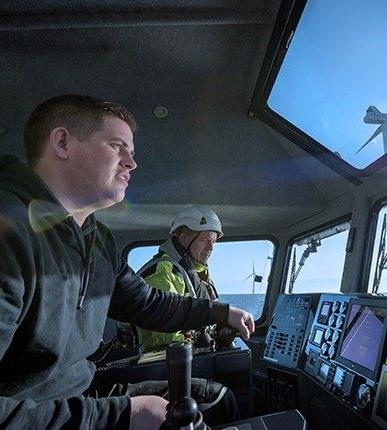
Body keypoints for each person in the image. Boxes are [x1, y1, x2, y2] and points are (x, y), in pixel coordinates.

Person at [0, 94, 255, 429]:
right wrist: (121, 416)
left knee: (213, 399)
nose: (131, 163)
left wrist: (220, 312)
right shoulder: (9, 228)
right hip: (30, 411)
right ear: (62, 142)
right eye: (117, 146)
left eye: (131, 153)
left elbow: (146, 303)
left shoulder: (98, 240)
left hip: (80, 392)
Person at [136, 206, 222, 352]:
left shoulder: (195, 273)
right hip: (163, 365)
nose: (210, 248)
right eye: (205, 239)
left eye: (213, 241)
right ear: (184, 239)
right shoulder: (163, 272)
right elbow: (166, 340)